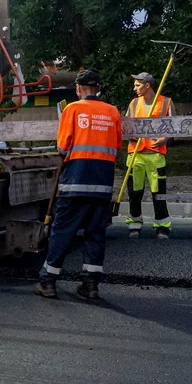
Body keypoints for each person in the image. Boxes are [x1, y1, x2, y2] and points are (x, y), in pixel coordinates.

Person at [35, 69, 124, 301]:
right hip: (102, 185)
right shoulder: (112, 112)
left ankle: (48, 282)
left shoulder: (72, 109)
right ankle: (91, 286)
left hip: (75, 182)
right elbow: (116, 147)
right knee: (95, 234)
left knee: (62, 232)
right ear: (98, 88)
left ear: (78, 89)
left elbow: (63, 147)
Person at [124, 71, 173, 239]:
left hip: (155, 153)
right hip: (135, 154)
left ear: (147, 85)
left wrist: (164, 140)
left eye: (138, 85)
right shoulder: (133, 103)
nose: (135, 88)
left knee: (158, 193)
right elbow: (126, 126)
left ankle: (162, 225)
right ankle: (134, 224)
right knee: (134, 192)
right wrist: (130, 135)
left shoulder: (166, 102)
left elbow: (174, 127)